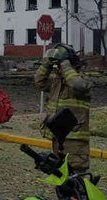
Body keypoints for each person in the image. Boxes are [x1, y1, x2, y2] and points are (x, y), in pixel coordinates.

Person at [34, 44, 92, 173]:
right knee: (60, 174)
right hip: (58, 136)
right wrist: (46, 64)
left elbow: (78, 85)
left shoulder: (84, 78)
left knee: (76, 175)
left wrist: (65, 64)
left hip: (75, 138)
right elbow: (39, 82)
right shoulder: (57, 79)